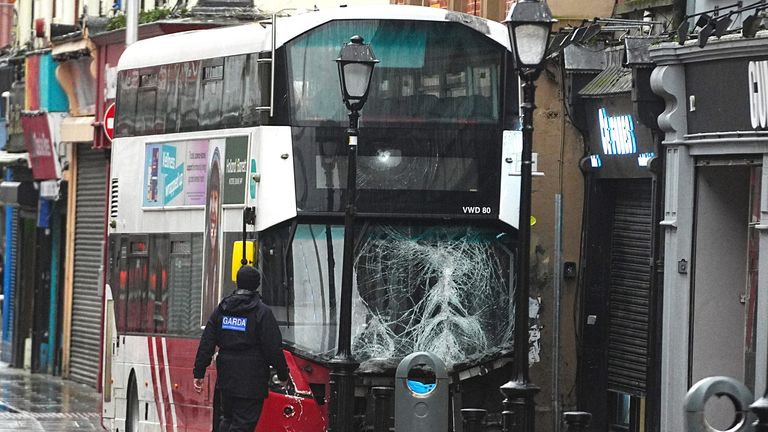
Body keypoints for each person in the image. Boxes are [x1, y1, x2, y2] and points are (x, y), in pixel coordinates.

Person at [193, 265, 290, 432]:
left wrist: (199, 372)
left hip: (227, 378)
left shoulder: (222, 310)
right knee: (243, 424)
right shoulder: (262, 312)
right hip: (252, 379)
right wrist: (283, 374)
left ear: (237, 283)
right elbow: (273, 347)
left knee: (227, 418)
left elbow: (207, 342)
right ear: (256, 285)